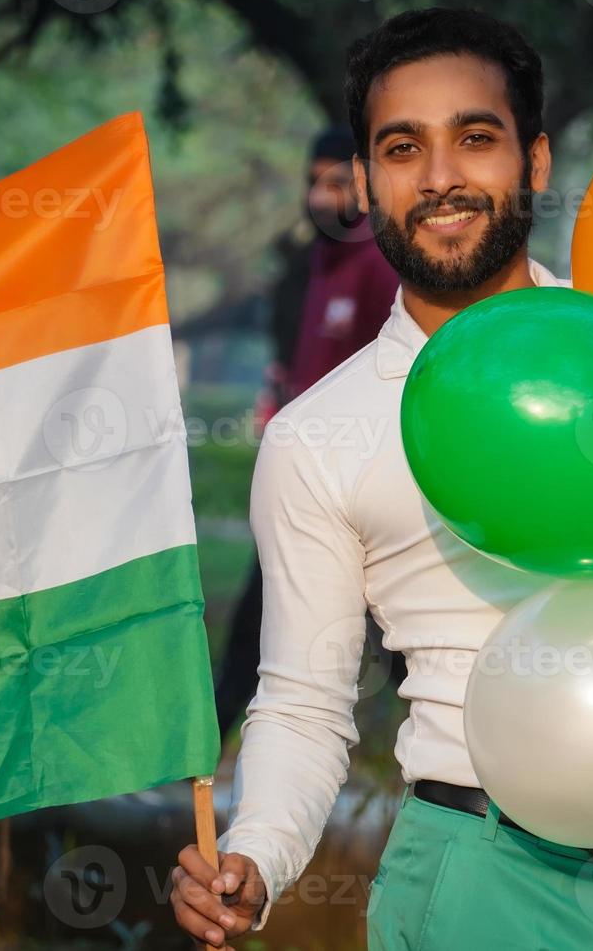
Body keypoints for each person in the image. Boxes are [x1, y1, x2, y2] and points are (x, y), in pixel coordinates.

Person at [172, 7, 593, 949]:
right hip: (477, 877)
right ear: (365, 183)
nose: (441, 177)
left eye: (474, 139)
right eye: (403, 148)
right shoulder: (319, 436)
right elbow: (303, 703)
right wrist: (259, 853)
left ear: (533, 163)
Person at [212, 127, 400, 735]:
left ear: (368, 187)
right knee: (259, 624)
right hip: (306, 486)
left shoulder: (379, 265)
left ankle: (468, 771)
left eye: (338, 183)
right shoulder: (318, 263)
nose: (322, 197)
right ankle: (206, 750)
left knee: (407, 645)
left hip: (371, 491)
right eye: (315, 182)